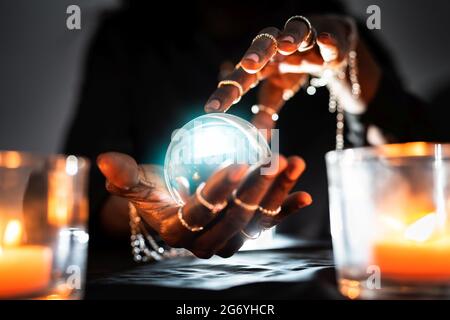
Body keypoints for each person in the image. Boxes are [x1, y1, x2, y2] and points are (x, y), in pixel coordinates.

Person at [64, 0, 433, 259]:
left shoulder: (334, 33)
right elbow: (75, 200)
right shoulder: (128, 40)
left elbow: (426, 181)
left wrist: (352, 71)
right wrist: (138, 206)